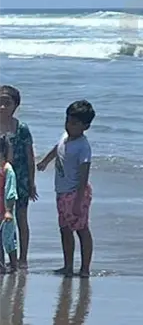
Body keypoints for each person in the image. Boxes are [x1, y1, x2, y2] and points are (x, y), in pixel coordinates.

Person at [36, 100, 96, 278]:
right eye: (68, 121)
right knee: (64, 229)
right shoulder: (65, 136)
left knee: (81, 229)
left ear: (85, 126)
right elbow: (57, 148)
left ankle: (84, 268)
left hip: (76, 193)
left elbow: (84, 175)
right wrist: (45, 161)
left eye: (74, 123)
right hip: (61, 192)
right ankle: (68, 266)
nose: (69, 126)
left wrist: (78, 200)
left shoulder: (83, 147)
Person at [0, 85, 35, 270]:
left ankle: (22, 258)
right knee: (3, 219)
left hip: (20, 179)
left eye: (7, 103)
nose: (2, 107)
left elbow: (30, 157)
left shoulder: (21, 128)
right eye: (0, 102)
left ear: (16, 105)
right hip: (0, 180)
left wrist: (32, 182)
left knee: (21, 217)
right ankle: (5, 258)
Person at [0, 134, 18, 273]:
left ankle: (13, 266)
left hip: (5, 211)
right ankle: (1, 265)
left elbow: (11, 192)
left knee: (9, 239)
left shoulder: (7, 169)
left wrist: (8, 210)